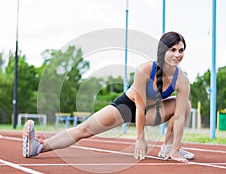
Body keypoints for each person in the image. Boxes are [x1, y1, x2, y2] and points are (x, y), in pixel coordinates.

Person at [22, 31, 194, 162]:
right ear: (162, 51)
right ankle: (38, 147)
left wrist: (176, 150)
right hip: (126, 107)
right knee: (84, 130)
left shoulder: (182, 80)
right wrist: (140, 139)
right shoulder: (145, 69)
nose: (178, 54)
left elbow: (179, 118)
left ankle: (168, 148)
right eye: (173, 50)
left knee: (184, 104)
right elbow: (139, 107)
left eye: (181, 50)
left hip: (152, 112)